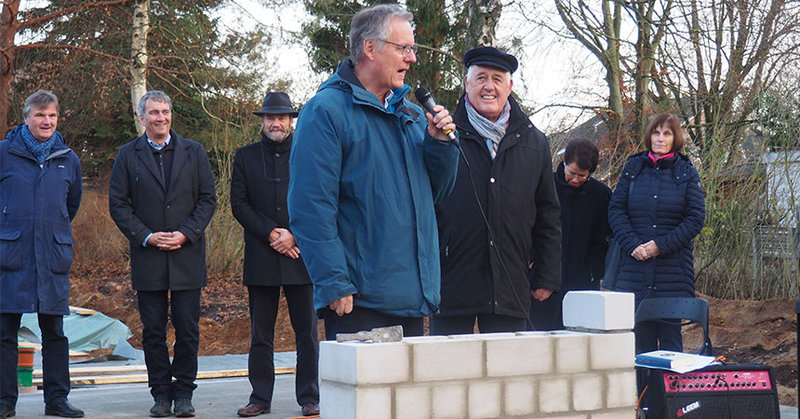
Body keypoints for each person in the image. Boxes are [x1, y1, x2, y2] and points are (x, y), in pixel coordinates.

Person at [288, 4, 459, 339]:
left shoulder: (409, 115)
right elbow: (311, 208)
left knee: (406, 395)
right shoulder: (325, 113)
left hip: (411, 297)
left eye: (413, 49)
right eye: (404, 48)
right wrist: (334, 282)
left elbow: (434, 195)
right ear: (370, 48)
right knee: (364, 394)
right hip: (358, 302)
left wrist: (439, 145)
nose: (412, 58)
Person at [430, 47, 562, 335]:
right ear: (467, 84)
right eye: (480, 78)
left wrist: (547, 274)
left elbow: (548, 212)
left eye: (497, 79)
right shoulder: (442, 136)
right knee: (447, 374)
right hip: (451, 282)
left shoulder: (534, 142)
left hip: (510, 286)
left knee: (507, 377)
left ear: (509, 86)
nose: (489, 86)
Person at [109, 91, 217, 418]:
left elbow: (207, 200)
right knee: (153, 331)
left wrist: (186, 233)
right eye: (154, 112)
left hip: (187, 257)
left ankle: (184, 392)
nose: (161, 117)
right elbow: (119, 204)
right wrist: (146, 236)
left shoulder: (194, 152)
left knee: (187, 329)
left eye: (165, 111)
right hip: (149, 258)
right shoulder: (128, 156)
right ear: (142, 118)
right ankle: (160, 394)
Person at [231, 92, 319, 417]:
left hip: (301, 254)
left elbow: (318, 198)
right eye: (270, 117)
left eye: (281, 117)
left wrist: (294, 234)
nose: (276, 123)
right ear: (263, 121)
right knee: (260, 335)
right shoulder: (245, 157)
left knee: (307, 333)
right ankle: (260, 398)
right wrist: (271, 233)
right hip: (262, 256)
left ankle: (310, 396)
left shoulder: (308, 154)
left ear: (290, 120)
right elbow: (239, 204)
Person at [0, 90, 84, 418]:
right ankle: (5, 402)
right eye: (39, 115)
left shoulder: (68, 159)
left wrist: (51, 232)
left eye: (51, 116)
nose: (46, 121)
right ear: (26, 118)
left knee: (55, 333)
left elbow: (70, 205)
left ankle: (57, 400)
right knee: (5, 333)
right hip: (11, 256)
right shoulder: (4, 153)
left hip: (51, 257)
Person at [607, 112, 705, 353]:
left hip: (672, 273)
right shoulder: (633, 168)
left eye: (667, 133)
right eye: (656, 132)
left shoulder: (686, 173)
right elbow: (616, 210)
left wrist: (659, 246)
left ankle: (670, 392)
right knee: (639, 345)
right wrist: (633, 245)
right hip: (634, 270)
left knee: (671, 345)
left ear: (675, 138)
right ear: (649, 136)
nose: (660, 138)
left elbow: (695, 219)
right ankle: (642, 392)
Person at [529, 139, 612, 331]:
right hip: (544, 277)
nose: (575, 180)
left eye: (582, 176)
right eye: (571, 173)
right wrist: (533, 263)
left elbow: (605, 239)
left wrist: (594, 270)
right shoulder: (543, 186)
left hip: (581, 280)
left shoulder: (601, 196)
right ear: (563, 163)